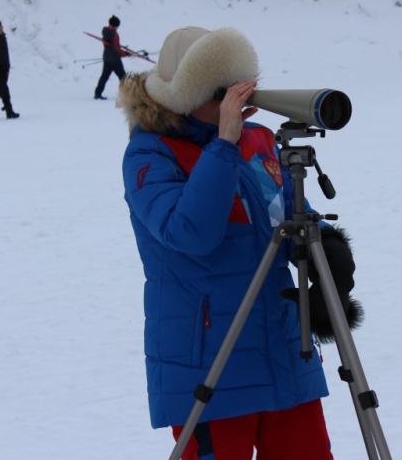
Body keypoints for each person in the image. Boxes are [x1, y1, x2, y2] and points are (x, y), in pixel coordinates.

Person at [118, 26, 363, 460]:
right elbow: (190, 233)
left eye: (240, 87)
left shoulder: (261, 142)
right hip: (210, 363)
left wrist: (327, 249)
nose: (235, 101)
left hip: (284, 352)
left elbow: (284, 218)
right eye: (220, 91)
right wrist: (224, 145)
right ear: (184, 94)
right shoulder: (151, 155)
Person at [94, 15, 129, 100]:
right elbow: (116, 48)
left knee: (104, 76)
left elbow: (113, 45)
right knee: (123, 77)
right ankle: (128, 96)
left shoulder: (105, 31)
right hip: (114, 59)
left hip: (106, 58)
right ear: (116, 25)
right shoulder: (114, 34)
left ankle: (97, 93)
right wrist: (124, 53)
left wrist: (123, 51)